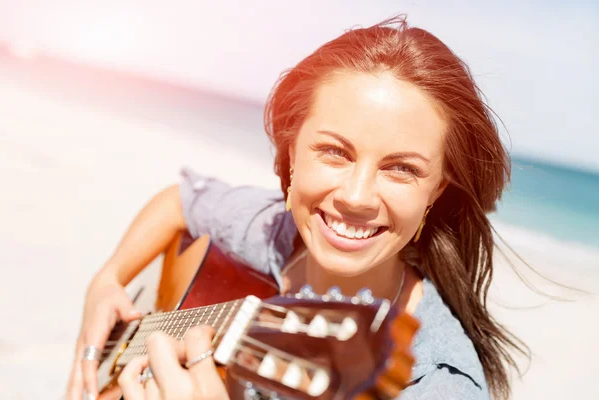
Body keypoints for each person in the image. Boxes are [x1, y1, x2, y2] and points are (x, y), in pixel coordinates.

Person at [66, 15, 527, 400]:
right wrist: (106, 280)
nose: (356, 196)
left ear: (436, 190)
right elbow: (182, 200)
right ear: (290, 154)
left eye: (401, 168)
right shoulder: (275, 232)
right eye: (335, 152)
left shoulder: (436, 384)